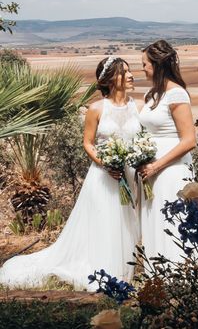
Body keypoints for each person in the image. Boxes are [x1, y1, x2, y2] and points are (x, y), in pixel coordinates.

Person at [0, 57, 141, 290]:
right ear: (108, 80)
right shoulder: (96, 109)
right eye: (123, 72)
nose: (130, 75)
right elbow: (88, 143)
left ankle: (125, 268)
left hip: (128, 175)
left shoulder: (138, 106)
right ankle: (105, 271)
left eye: (129, 71)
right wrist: (106, 164)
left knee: (125, 222)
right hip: (103, 177)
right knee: (104, 220)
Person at [138, 40, 196, 262]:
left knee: (173, 221)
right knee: (155, 221)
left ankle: (180, 276)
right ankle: (157, 275)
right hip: (150, 170)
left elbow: (189, 140)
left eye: (145, 64)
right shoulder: (151, 95)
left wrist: (156, 165)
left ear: (158, 65)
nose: (142, 69)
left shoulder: (177, 94)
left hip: (170, 170)